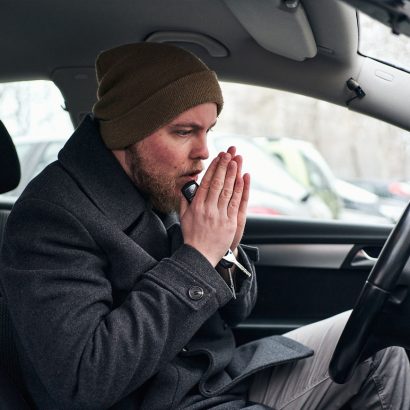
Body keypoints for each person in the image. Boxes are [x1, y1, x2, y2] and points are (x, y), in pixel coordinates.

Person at [0, 42, 409, 410]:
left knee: (380, 350)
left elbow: (236, 313)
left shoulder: (160, 184)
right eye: (184, 132)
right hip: (170, 401)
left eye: (207, 130)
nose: (203, 152)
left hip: (217, 379)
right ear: (128, 132)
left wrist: (226, 246)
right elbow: (84, 381)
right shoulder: (52, 216)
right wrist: (197, 257)